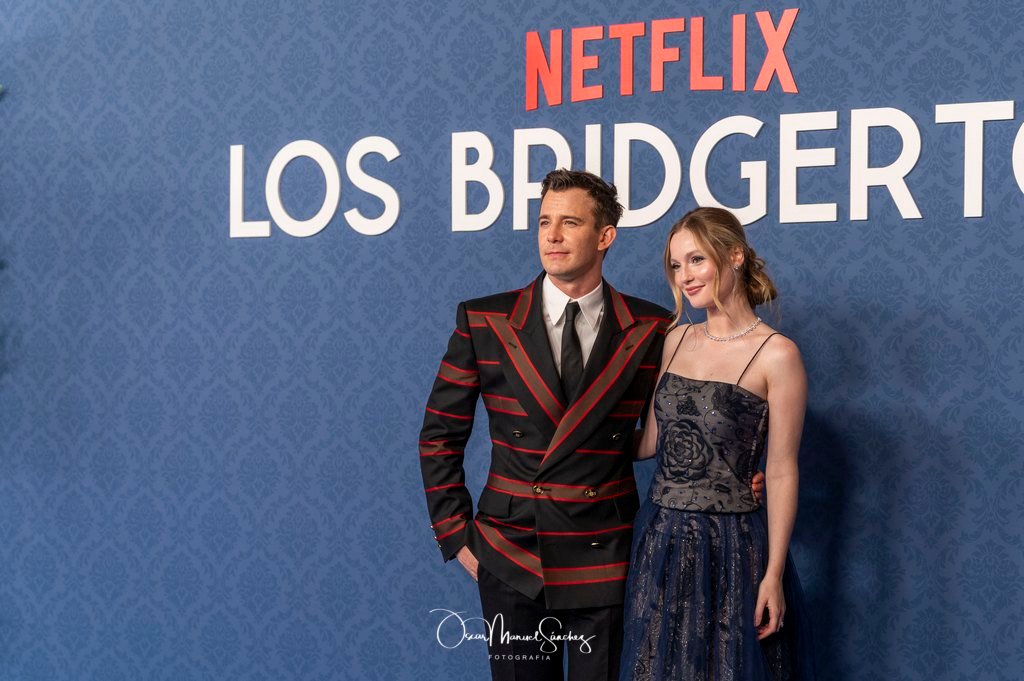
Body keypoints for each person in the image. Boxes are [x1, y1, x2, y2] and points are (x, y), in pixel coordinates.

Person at [419, 170, 765, 681]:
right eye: (544, 222)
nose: (552, 236)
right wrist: (457, 536)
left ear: (605, 236)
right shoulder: (484, 321)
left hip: (606, 551)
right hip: (512, 550)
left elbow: (683, 423)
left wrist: (731, 471)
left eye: (570, 222)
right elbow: (439, 436)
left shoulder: (652, 328)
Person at [619, 207, 815, 680]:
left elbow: (782, 470)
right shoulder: (675, 339)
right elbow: (650, 442)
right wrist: (575, 435)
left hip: (731, 546)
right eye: (676, 265)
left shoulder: (778, 354)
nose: (685, 276)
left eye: (696, 260)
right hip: (660, 538)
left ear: (735, 256)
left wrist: (773, 574)